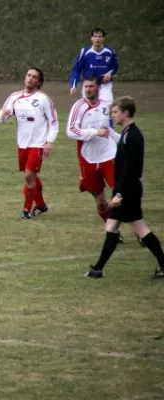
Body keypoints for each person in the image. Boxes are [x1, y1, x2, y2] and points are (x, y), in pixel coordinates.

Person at [85, 97, 164, 279]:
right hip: (126, 189)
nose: (113, 115)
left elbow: (130, 169)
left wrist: (120, 194)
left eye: (115, 112)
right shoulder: (128, 133)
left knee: (139, 229)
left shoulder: (134, 136)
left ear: (125, 113)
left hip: (127, 191)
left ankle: (98, 269)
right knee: (114, 226)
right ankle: (98, 269)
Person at [0, 68, 59, 219]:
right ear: (25, 78)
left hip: (38, 143)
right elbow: (0, 118)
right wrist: (4, 116)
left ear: (39, 82)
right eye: (28, 75)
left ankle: (26, 210)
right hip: (22, 143)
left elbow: (53, 121)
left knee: (29, 175)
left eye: (34, 77)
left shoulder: (43, 99)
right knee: (31, 177)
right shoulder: (14, 97)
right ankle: (41, 205)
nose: (30, 78)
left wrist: (49, 141)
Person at [66, 76, 124, 235]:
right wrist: (95, 132)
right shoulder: (79, 106)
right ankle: (114, 232)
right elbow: (71, 131)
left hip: (109, 155)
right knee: (100, 203)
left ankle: (140, 233)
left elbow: (108, 129)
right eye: (86, 87)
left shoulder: (106, 106)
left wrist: (123, 141)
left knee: (121, 193)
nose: (88, 89)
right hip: (88, 159)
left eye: (91, 86)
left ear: (98, 88)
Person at [69, 28, 119, 103]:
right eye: (95, 36)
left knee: (107, 108)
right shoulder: (84, 52)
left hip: (105, 86)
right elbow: (76, 69)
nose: (97, 39)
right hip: (89, 85)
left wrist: (110, 73)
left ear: (103, 38)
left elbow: (115, 67)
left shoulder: (110, 51)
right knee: (87, 108)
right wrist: (73, 85)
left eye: (100, 36)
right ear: (91, 38)